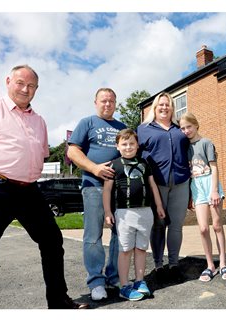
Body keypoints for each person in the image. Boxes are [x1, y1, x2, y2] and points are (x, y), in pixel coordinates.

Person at [0, 65, 89, 309]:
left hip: (29, 190)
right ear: (8, 81)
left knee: (52, 242)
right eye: (20, 83)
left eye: (31, 86)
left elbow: (40, 154)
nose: (25, 89)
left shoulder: (39, 121)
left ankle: (58, 301)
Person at [67, 88, 126, 301]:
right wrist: (94, 168)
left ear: (116, 103)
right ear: (95, 103)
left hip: (119, 189)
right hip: (93, 186)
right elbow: (72, 151)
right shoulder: (87, 122)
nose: (108, 104)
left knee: (120, 235)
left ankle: (115, 277)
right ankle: (96, 282)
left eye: (111, 101)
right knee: (93, 236)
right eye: (103, 101)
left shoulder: (123, 127)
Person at [103, 129, 165, 301]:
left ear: (137, 145)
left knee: (141, 249)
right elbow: (107, 190)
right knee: (125, 250)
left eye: (132, 143)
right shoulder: (114, 165)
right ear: (117, 146)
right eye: (124, 144)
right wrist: (108, 211)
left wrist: (159, 206)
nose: (128, 147)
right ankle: (124, 286)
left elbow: (152, 186)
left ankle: (139, 281)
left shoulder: (145, 163)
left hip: (146, 212)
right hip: (124, 214)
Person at [136, 92, 190, 283]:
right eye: (161, 105)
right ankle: (158, 264)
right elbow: (135, 154)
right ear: (155, 107)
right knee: (158, 225)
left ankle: (174, 264)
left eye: (168, 105)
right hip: (156, 184)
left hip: (181, 182)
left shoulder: (179, 130)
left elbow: (190, 151)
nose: (164, 108)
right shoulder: (143, 129)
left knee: (176, 225)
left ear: (172, 108)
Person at [179, 112, 226, 282]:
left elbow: (214, 168)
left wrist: (214, 191)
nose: (186, 130)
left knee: (217, 225)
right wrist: (189, 195)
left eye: (189, 126)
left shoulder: (206, 143)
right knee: (203, 228)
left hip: (210, 185)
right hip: (196, 187)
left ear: (196, 125)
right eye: (182, 128)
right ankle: (210, 265)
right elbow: (188, 173)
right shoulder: (185, 147)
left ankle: (223, 263)